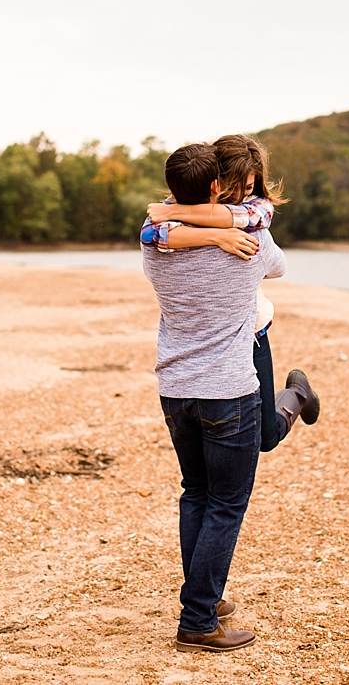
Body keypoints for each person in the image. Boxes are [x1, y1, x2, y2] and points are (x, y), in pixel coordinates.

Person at [142, 142, 286, 653]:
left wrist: (200, 226)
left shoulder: (154, 245)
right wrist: (228, 233)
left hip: (175, 389)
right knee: (226, 504)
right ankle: (199, 620)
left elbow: (155, 226)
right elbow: (279, 267)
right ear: (215, 189)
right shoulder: (252, 239)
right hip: (228, 391)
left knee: (196, 494)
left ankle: (208, 598)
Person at [142, 134, 319, 453]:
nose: (239, 196)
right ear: (215, 181)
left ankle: (297, 394)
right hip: (201, 343)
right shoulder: (175, 212)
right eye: (232, 187)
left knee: (265, 438)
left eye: (248, 189)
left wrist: (225, 232)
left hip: (248, 333)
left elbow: (276, 264)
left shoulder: (254, 214)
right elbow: (151, 233)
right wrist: (216, 236)